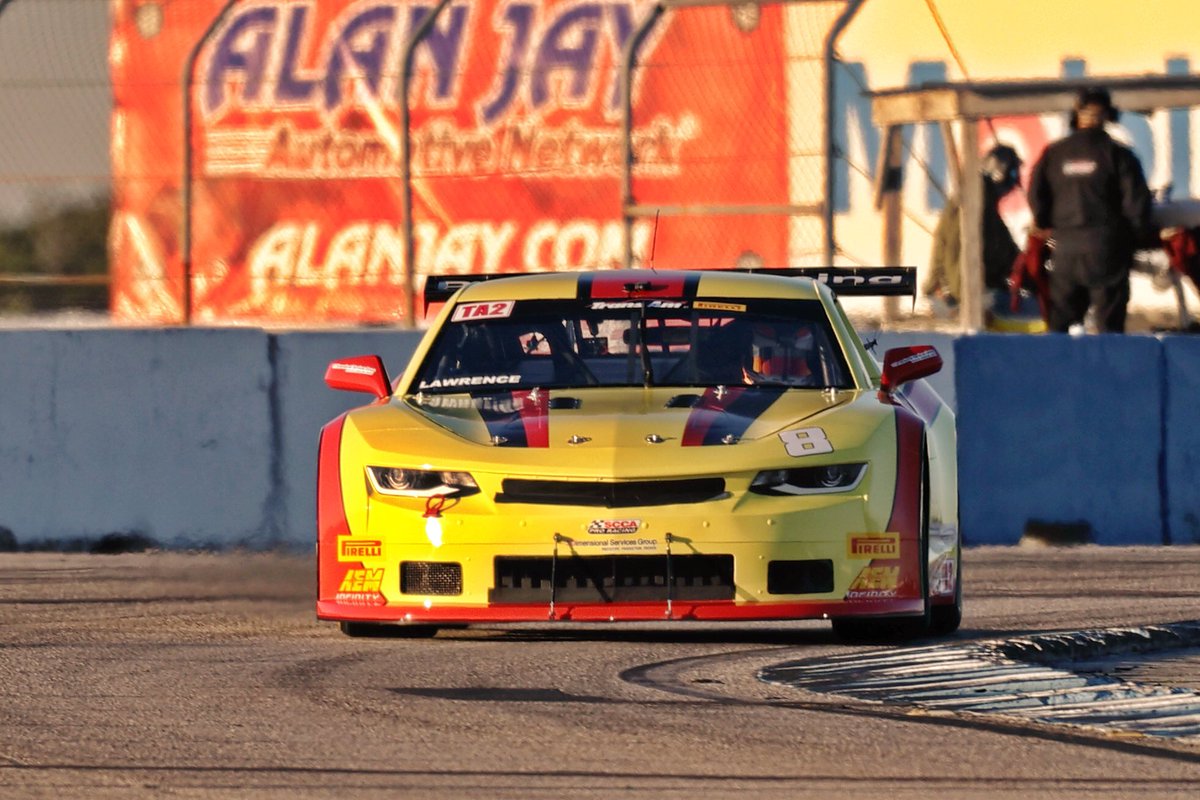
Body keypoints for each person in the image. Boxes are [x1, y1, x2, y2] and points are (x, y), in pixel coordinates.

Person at [1028, 87, 1154, 333]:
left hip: (1065, 250)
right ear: (1109, 116)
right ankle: (1107, 371)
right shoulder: (1119, 155)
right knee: (1109, 328)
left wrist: (1047, 225)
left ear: (1076, 115)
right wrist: (1134, 240)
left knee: (1060, 327)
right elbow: (1137, 206)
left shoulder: (1054, 154)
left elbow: (1036, 198)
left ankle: (1059, 369)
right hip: (1107, 250)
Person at [925, 144, 1023, 315]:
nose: (1014, 181)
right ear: (1001, 173)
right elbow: (999, 249)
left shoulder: (982, 200)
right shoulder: (979, 202)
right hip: (967, 293)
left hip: (959, 290)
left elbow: (941, 241)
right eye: (1013, 173)